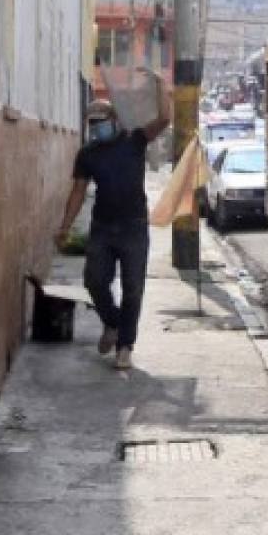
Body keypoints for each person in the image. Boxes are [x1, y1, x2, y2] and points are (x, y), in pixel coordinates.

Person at [55, 69, 171, 369]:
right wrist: (65, 227)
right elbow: (78, 192)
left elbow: (164, 120)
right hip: (103, 228)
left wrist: (160, 85)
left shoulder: (134, 140)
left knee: (133, 288)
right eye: (91, 124)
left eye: (100, 122)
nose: (96, 128)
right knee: (94, 282)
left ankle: (125, 346)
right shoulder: (87, 154)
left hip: (134, 227)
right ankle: (112, 321)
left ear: (114, 121)